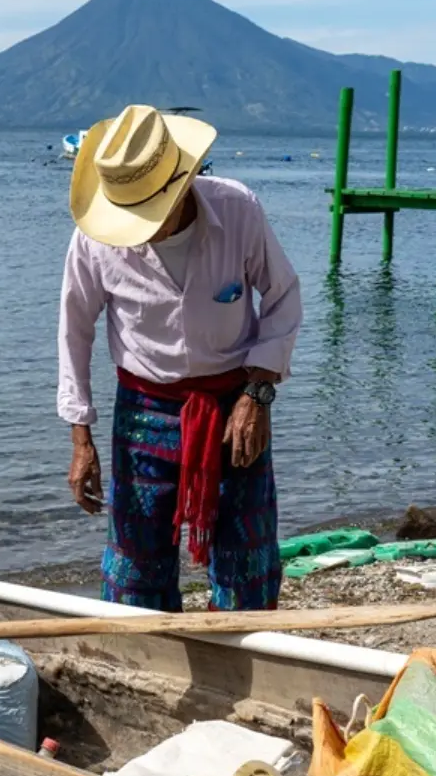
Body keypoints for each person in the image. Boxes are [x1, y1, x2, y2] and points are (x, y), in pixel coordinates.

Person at [56, 104, 302, 612]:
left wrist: (257, 393)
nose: (138, 227)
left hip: (238, 403)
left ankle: (241, 666)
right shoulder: (94, 239)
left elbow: (283, 298)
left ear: (183, 183)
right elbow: (74, 331)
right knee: (133, 572)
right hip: (143, 410)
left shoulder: (238, 211)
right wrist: (80, 437)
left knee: (247, 566)